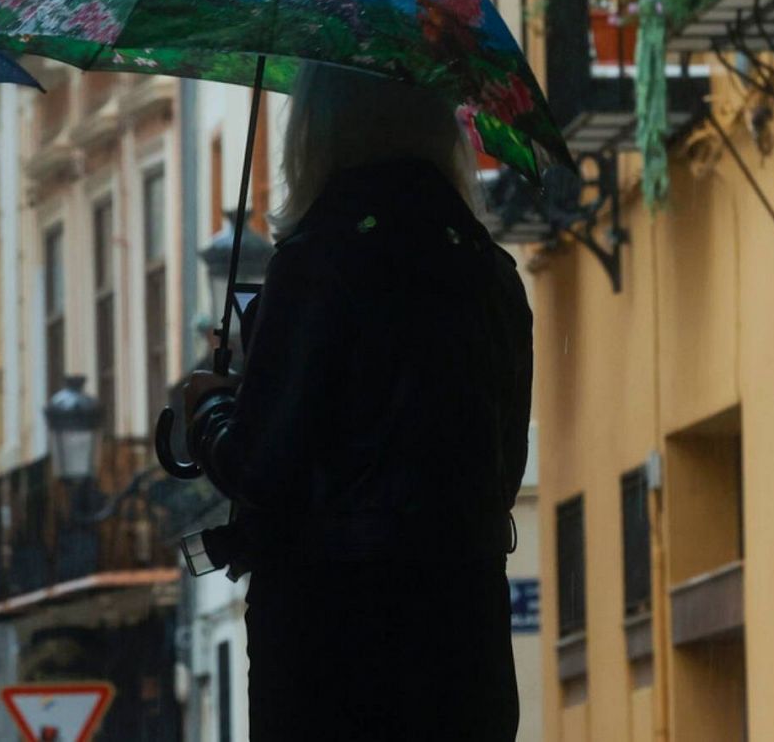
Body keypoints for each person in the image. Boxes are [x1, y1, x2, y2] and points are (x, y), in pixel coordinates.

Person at [182, 63, 532, 741]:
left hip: (333, 647)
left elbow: (263, 466)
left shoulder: (317, 263)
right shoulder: (494, 276)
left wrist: (209, 414)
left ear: (318, 128)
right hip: (466, 643)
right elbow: (505, 470)